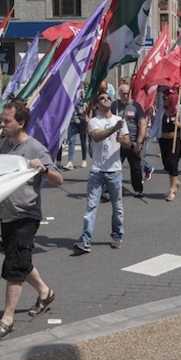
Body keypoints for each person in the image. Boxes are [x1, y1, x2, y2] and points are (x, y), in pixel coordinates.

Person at [0, 100, 63, 340]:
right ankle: (45, 292)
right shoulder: (3, 146)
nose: (2, 124)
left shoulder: (35, 148)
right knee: (20, 259)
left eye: (7, 121)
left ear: (21, 123)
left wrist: (43, 169)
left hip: (26, 215)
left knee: (14, 265)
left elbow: (59, 179)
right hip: (6, 215)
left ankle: (7, 319)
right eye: (2, 120)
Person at [73, 90, 130, 253]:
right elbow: (97, 136)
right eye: (102, 98)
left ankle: (117, 234)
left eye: (108, 98)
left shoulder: (119, 120)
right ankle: (85, 239)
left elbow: (127, 141)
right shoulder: (93, 121)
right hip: (97, 171)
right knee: (91, 206)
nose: (106, 99)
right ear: (97, 104)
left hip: (115, 170)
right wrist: (114, 129)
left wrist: (123, 139)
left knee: (117, 206)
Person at [148, 91, 181, 201]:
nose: (163, 100)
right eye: (163, 98)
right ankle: (175, 181)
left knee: (172, 162)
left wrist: (180, 125)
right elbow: (156, 125)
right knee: (166, 164)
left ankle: (172, 190)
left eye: (166, 98)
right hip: (163, 140)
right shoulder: (162, 110)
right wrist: (149, 136)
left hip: (176, 140)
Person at [114, 84, 152, 198]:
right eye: (123, 94)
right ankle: (113, 189)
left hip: (132, 143)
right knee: (114, 168)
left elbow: (142, 123)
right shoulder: (114, 106)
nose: (126, 96)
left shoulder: (136, 106)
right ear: (119, 94)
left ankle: (138, 189)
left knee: (136, 167)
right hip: (118, 143)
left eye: (127, 93)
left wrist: (139, 142)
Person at [62, 88, 88, 170]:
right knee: (71, 140)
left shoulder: (84, 95)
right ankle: (70, 161)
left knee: (83, 141)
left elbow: (89, 106)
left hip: (82, 120)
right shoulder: (70, 94)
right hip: (72, 120)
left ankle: (84, 159)